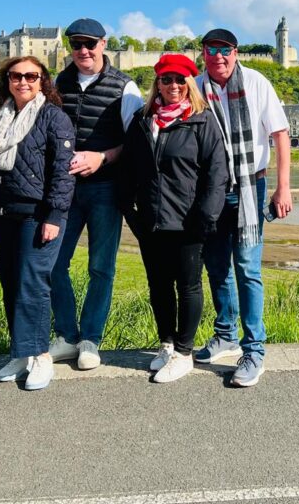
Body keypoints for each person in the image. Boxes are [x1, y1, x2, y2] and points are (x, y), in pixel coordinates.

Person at [118, 54, 228, 383]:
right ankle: (166, 344)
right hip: (151, 221)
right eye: (167, 80)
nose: (174, 86)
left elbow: (216, 173)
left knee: (189, 286)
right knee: (159, 287)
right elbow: (128, 170)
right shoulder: (142, 121)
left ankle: (184, 352)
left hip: (188, 221)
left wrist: (206, 216)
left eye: (181, 80)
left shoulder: (201, 120)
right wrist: (131, 213)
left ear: (189, 84)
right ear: (158, 84)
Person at [194, 29, 292, 387]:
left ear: (235, 53)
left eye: (225, 50)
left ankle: (254, 351)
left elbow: (280, 134)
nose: (218, 56)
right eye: (211, 50)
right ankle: (225, 334)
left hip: (251, 184)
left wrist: (283, 188)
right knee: (216, 267)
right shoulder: (194, 86)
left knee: (247, 269)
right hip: (211, 190)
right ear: (202, 52)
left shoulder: (256, 82)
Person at [49, 18, 144, 370]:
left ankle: (90, 338)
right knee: (54, 265)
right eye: (76, 44)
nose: (83, 51)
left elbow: (134, 142)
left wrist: (101, 157)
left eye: (90, 43)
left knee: (101, 268)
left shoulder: (125, 86)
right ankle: (66, 335)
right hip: (66, 188)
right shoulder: (60, 82)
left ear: (104, 44)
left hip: (105, 186)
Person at [0, 56, 75, 390]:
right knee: (10, 282)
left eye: (30, 76)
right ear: (7, 80)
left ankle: (40, 356)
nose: (22, 81)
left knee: (32, 283)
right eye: (15, 76)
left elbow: (63, 172)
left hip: (38, 214)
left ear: (42, 81)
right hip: (4, 213)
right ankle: (21, 352)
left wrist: (54, 215)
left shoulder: (54, 117)